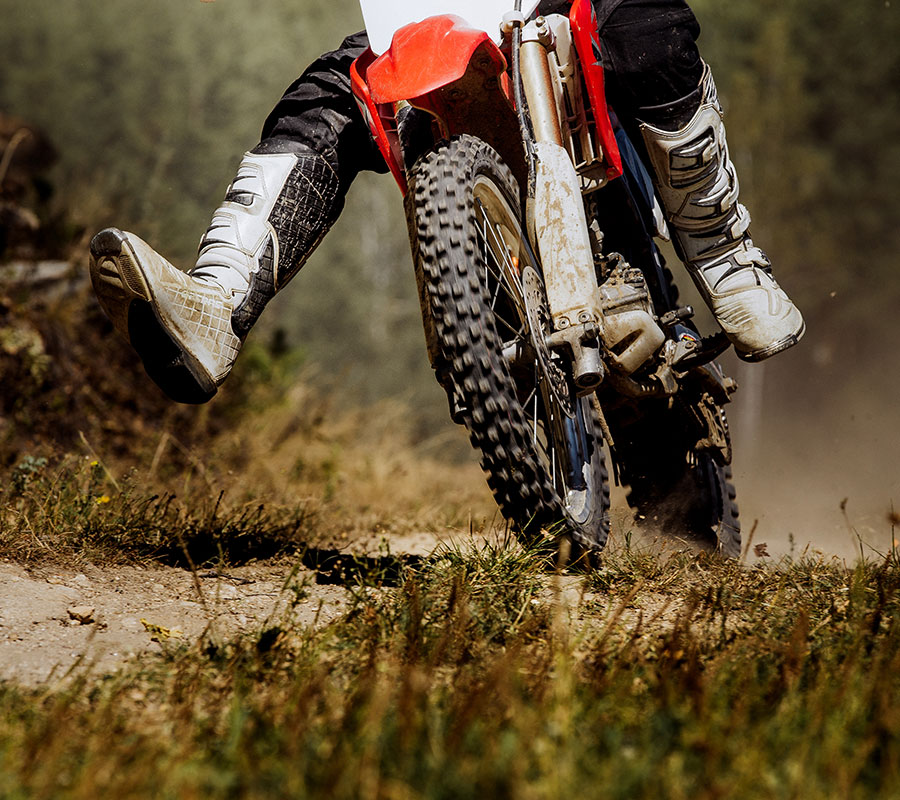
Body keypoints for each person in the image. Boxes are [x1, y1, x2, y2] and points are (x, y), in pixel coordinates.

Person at [89, 0, 804, 404]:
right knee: (328, 98)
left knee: (650, 34)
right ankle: (214, 307)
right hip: (450, 16)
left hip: (573, 8)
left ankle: (721, 250)